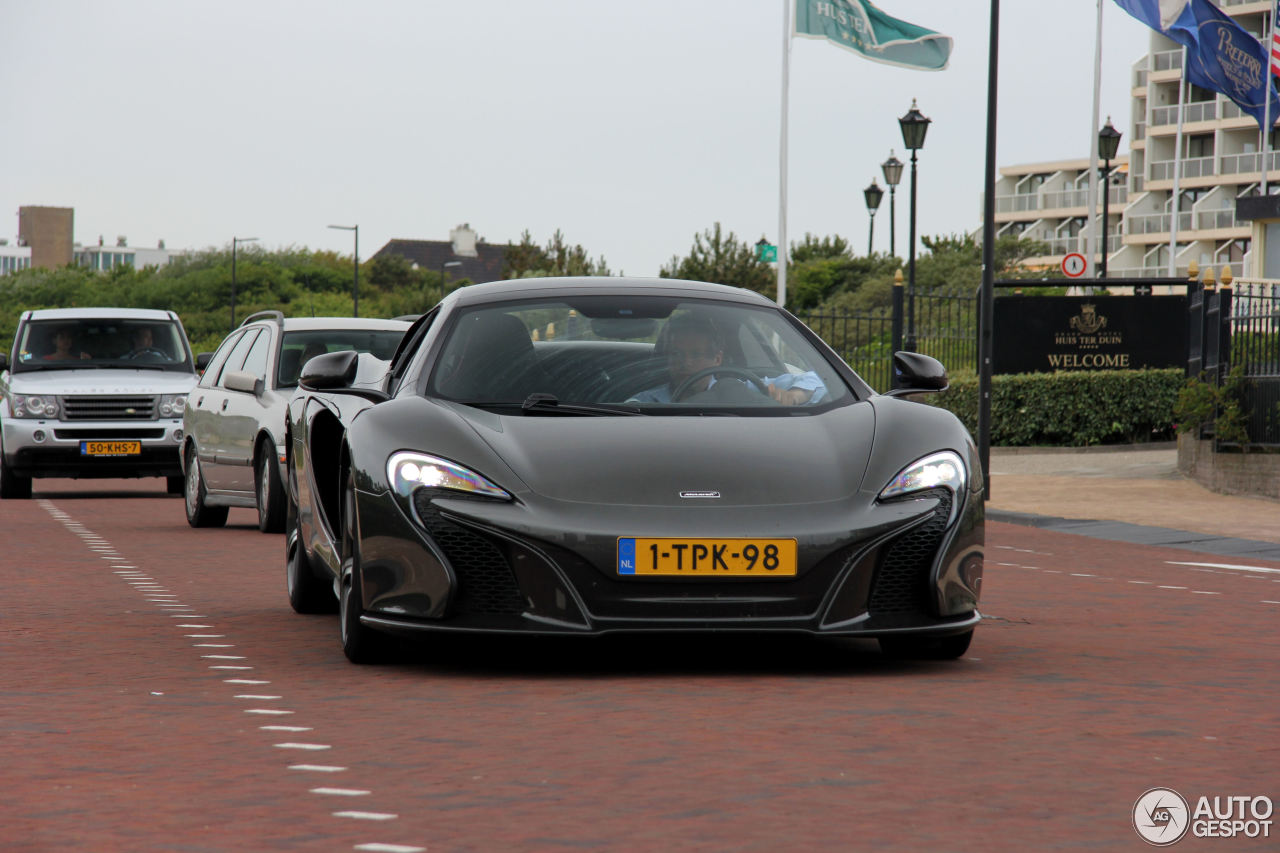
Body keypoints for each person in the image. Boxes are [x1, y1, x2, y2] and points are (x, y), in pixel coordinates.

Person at [628, 314, 825, 405]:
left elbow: (822, 380)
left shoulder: (744, 390)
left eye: (696, 355)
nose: (686, 363)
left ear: (717, 358)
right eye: (676, 354)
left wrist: (794, 396)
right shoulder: (647, 402)